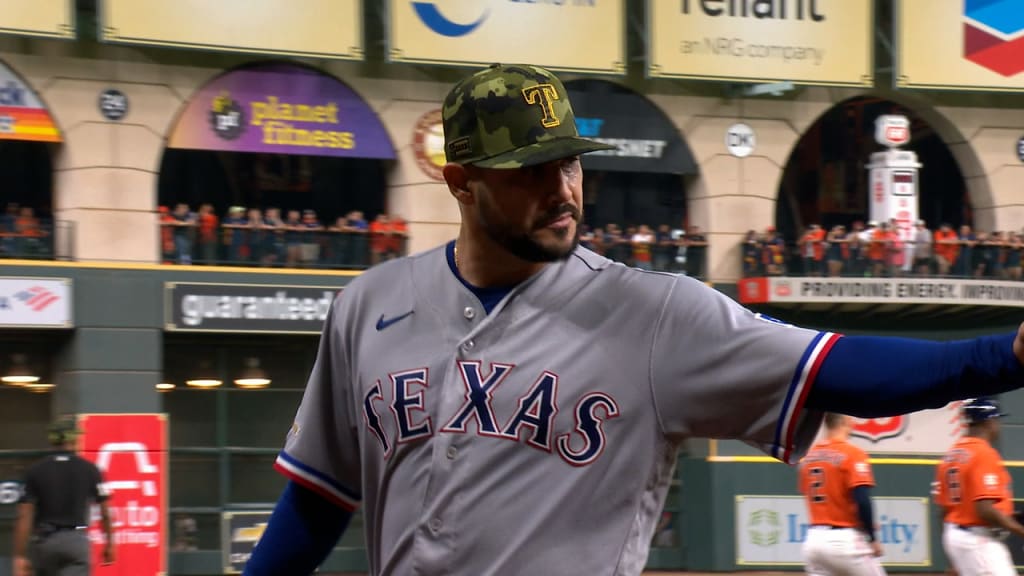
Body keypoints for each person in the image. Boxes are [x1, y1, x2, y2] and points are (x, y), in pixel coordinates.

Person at [244, 62, 1024, 576]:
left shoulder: (653, 314)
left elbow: (840, 366)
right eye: (530, 171)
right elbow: (318, 499)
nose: (564, 188)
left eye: (570, 160)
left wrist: (1007, 352)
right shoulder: (368, 307)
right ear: (462, 182)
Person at [13, 416, 115, 576]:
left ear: (52, 439)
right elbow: (106, 513)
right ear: (75, 439)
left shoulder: (34, 471)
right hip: (76, 541)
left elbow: (24, 515)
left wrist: (20, 556)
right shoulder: (90, 470)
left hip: (44, 543)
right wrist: (110, 543)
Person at [934, 397, 1022, 576]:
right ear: (988, 421)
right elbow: (984, 510)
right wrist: (1019, 529)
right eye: (996, 419)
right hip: (977, 540)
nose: (998, 425)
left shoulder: (951, 455)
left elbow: (944, 512)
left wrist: (953, 559)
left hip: (957, 536)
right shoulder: (984, 453)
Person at [798, 413, 884, 576]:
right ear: (845, 421)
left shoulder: (808, 458)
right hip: (844, 542)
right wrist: (872, 537)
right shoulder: (852, 453)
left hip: (813, 541)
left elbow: (816, 496)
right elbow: (862, 500)